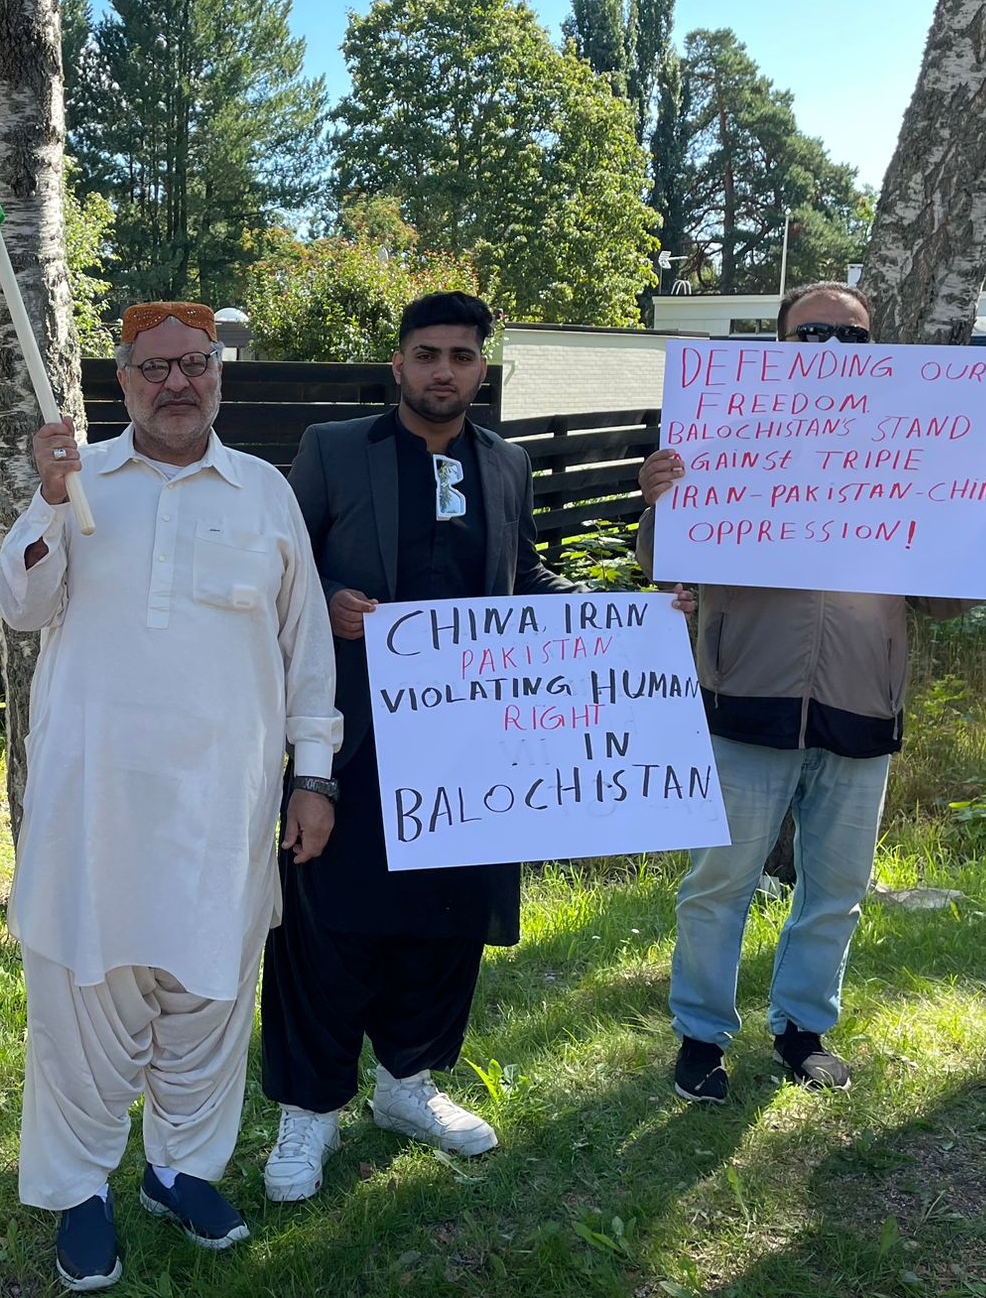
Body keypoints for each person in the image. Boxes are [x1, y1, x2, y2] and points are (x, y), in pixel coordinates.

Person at [258, 290, 694, 1203]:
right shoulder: (333, 451)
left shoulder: (507, 462)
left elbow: (522, 577)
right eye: (426, 354)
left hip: (474, 746)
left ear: (481, 369)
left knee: (444, 922)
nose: (442, 371)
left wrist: (616, 619)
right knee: (329, 923)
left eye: (460, 355)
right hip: (352, 736)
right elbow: (279, 564)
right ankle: (310, 1112)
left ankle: (406, 1086)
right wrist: (330, 597)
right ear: (398, 363)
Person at [640, 282, 986, 1106]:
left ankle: (803, 1030)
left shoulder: (915, 450)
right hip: (744, 702)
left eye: (851, 334)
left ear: (874, 348)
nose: (831, 347)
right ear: (779, 343)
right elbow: (666, 563)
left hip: (865, 707)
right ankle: (700, 1035)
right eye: (812, 332)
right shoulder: (727, 431)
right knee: (718, 885)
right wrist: (661, 499)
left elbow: (942, 599)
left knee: (833, 890)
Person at [0, 301, 340, 1292]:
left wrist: (311, 775)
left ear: (217, 373)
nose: (178, 383)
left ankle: (179, 1170)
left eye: (194, 364)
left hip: (221, 812)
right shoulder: (79, 480)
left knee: (208, 1000)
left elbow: (304, 653)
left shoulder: (263, 493)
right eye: (155, 370)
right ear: (122, 383)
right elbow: (19, 606)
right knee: (83, 1009)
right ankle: (80, 1192)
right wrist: (49, 498)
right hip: (91, 812)